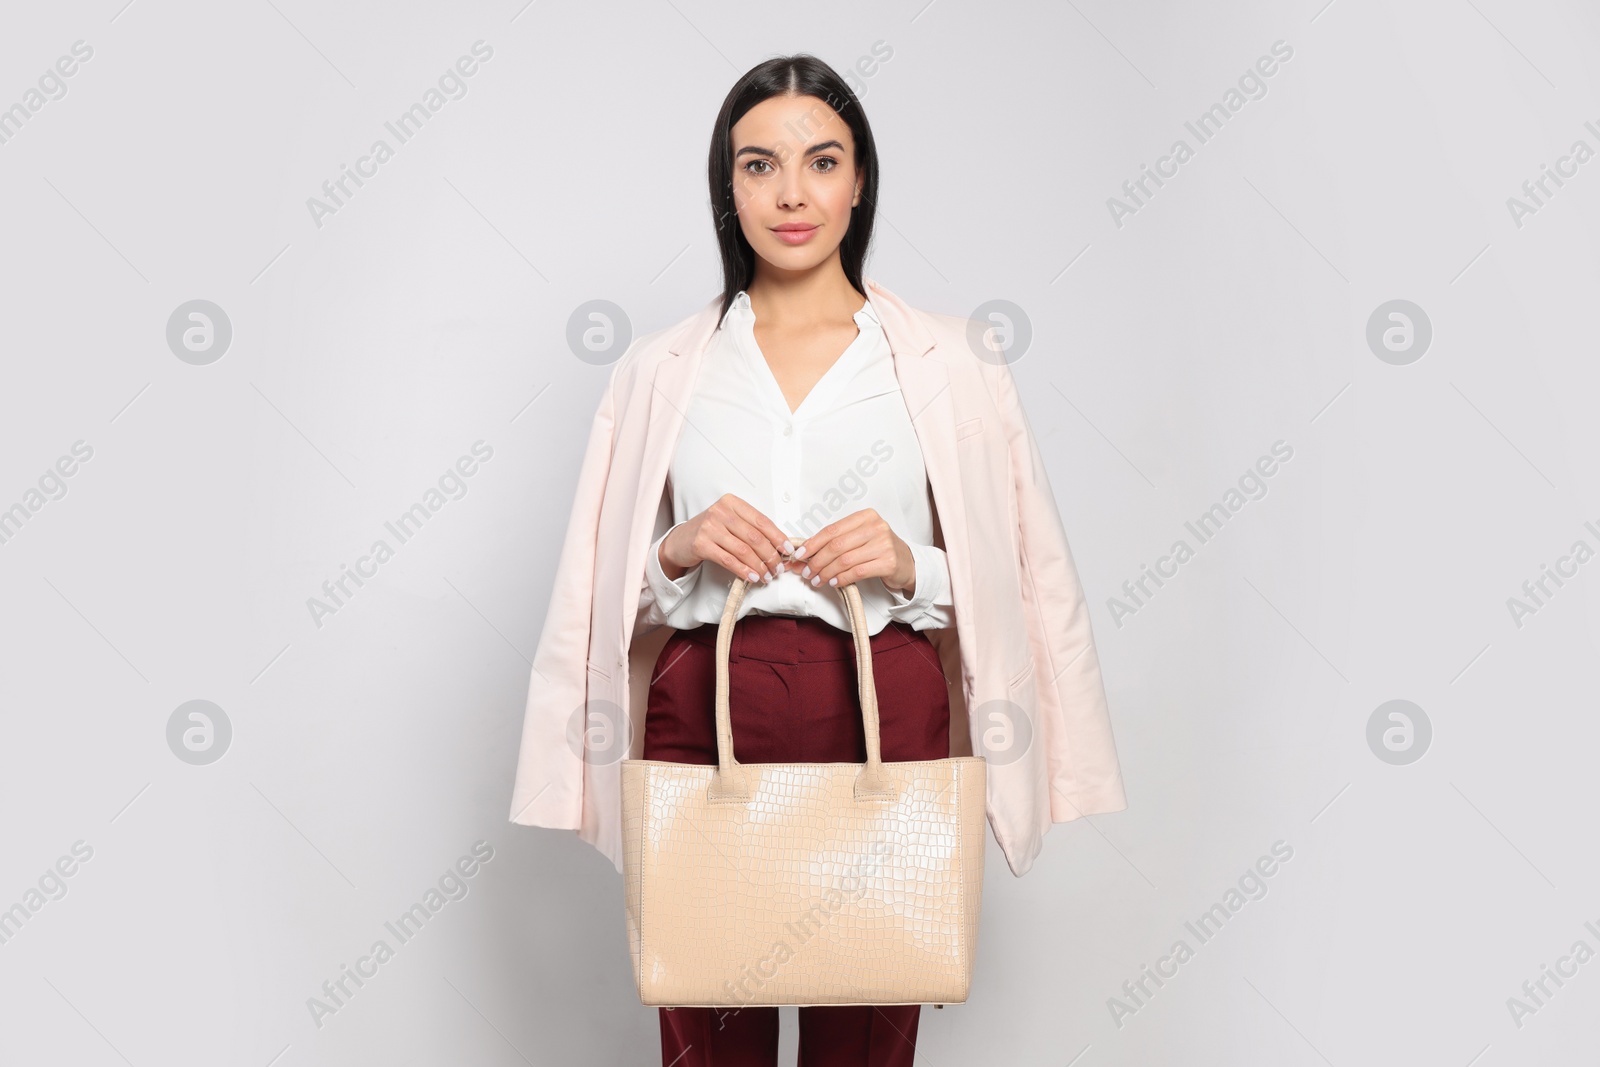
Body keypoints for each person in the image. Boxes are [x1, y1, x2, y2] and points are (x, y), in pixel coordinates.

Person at [507, 52, 1128, 1067]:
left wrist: (909, 562)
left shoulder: (950, 360)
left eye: (821, 161)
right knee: (705, 1014)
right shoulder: (668, 366)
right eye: (758, 165)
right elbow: (596, 578)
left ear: (859, 179)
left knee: (871, 1016)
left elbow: (1023, 571)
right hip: (707, 695)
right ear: (727, 188)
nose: (791, 192)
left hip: (885, 690)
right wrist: (676, 545)